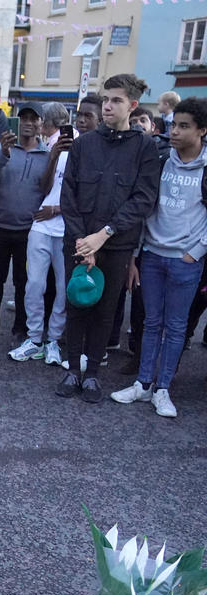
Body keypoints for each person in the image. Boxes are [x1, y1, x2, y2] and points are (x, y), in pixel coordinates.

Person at [55, 73, 159, 404]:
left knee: (105, 310)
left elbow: (143, 199)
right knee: (76, 304)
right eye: (105, 99)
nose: (108, 106)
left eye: (115, 100)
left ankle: (93, 375)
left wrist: (103, 236)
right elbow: (68, 194)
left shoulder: (145, 146)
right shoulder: (84, 143)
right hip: (79, 241)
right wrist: (82, 242)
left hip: (116, 244)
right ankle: (72, 369)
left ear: (132, 104)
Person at [111, 97, 207, 418]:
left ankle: (163, 388)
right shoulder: (162, 160)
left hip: (186, 261)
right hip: (151, 255)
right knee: (151, 323)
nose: (175, 131)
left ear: (202, 131)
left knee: (176, 327)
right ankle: (143, 383)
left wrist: (195, 252)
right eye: (174, 125)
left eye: (184, 126)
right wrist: (137, 255)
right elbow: (145, 208)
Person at [0, 103, 47, 346]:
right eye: (23, 118)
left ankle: (20, 328)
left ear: (40, 123)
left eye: (33, 118)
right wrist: (4, 155)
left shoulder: (48, 155)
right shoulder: (1, 147)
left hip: (28, 230)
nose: (27, 122)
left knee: (24, 283)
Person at [8, 104, 73, 366]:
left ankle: (53, 339)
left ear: (47, 123)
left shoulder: (79, 148)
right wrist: (53, 157)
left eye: (40, 121)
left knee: (62, 287)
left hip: (66, 227)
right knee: (34, 284)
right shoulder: (49, 148)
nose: (37, 125)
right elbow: (44, 186)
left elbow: (84, 193)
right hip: (41, 227)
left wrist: (57, 209)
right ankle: (34, 338)